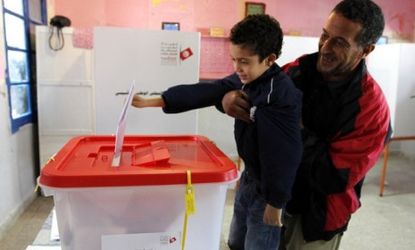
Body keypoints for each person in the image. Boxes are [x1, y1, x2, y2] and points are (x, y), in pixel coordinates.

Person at [221, 0, 392, 249]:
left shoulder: (371, 109)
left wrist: (291, 129)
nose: (326, 47)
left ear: (366, 50)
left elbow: (333, 176)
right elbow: (256, 87)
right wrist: (230, 97)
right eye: (325, 35)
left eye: (340, 42)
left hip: (313, 219)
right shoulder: (298, 70)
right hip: (265, 195)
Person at [131, 14, 303, 249]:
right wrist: (158, 100)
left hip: (269, 190)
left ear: (269, 59)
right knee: (235, 241)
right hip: (250, 177)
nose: (237, 68)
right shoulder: (247, 78)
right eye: (234, 60)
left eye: (244, 61)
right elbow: (208, 91)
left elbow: (285, 155)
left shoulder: (280, 96)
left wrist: (275, 202)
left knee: (259, 244)